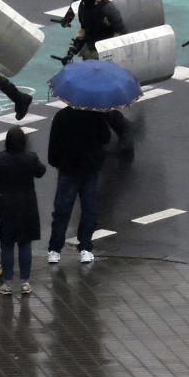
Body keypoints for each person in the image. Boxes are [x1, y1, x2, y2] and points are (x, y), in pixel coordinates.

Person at [59, 0, 133, 157]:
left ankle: (124, 131)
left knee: (102, 101)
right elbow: (83, 33)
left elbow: (121, 33)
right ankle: (102, 134)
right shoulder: (83, 7)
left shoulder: (107, 9)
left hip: (105, 61)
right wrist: (70, 53)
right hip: (90, 58)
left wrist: (111, 58)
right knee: (91, 100)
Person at [46, 104, 111, 265]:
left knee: (62, 210)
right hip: (90, 169)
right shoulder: (96, 115)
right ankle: (86, 248)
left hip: (68, 169)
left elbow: (53, 143)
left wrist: (56, 161)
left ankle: (55, 249)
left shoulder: (61, 116)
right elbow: (106, 138)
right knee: (89, 210)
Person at [0, 127, 46, 295]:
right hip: (27, 206)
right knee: (25, 244)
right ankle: (25, 282)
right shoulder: (30, 158)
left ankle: (8, 283)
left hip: (5, 206)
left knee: (7, 245)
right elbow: (41, 171)